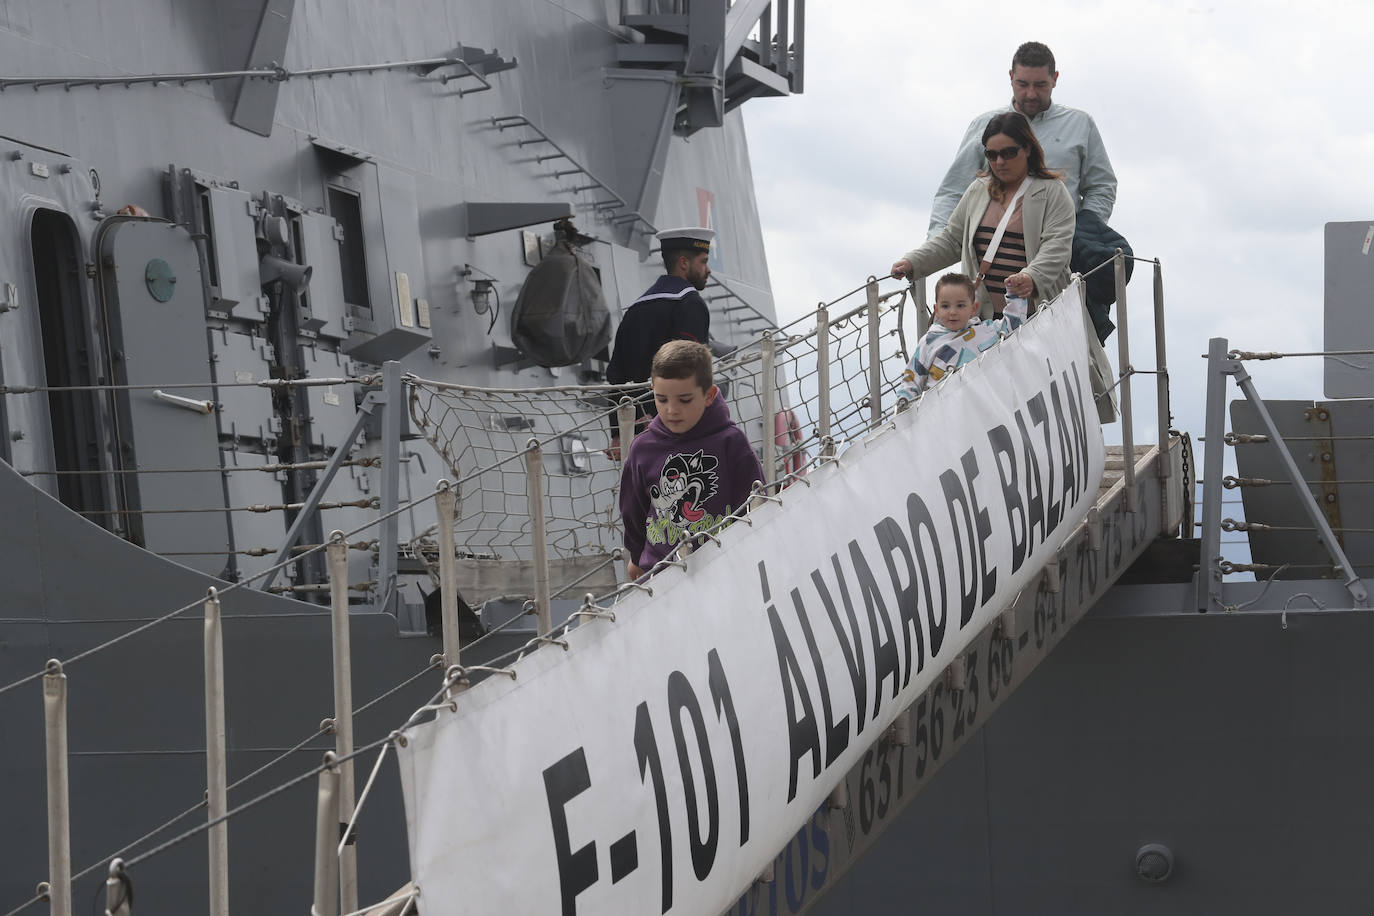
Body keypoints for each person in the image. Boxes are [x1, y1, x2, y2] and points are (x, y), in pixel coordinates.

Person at [892, 111, 1075, 318]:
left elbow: (1056, 247)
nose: (999, 161)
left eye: (1008, 153)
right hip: (983, 321)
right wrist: (913, 262)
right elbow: (953, 240)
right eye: (992, 155)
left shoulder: (1052, 192)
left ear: (1027, 148)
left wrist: (1031, 277)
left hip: (1037, 317)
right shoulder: (978, 189)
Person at [927, 41, 1115, 238]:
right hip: (990, 255)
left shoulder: (1081, 124)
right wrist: (934, 247)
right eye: (1022, 84)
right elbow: (953, 193)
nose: (1031, 94)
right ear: (1010, 77)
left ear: (1055, 78)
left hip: (1060, 255)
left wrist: (1083, 231)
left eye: (1040, 85)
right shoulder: (983, 125)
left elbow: (1101, 186)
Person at [619, 340, 764, 580]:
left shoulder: (730, 442)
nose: (671, 410)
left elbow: (754, 501)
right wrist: (636, 557)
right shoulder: (642, 448)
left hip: (724, 567)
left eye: (684, 400)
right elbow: (632, 510)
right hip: (662, 571)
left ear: (709, 395)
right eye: (661, 399)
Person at [605, 227, 714, 457]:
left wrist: (619, 432)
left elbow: (616, 375)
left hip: (641, 434)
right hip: (675, 429)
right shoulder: (689, 303)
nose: (708, 270)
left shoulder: (636, 308)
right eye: (703, 262)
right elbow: (690, 371)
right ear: (684, 263)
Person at [897, 273, 1027, 401]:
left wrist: (1015, 293)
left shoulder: (985, 331)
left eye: (960, 305)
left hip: (984, 405)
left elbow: (1012, 324)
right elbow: (912, 378)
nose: (953, 312)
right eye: (945, 306)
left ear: (973, 308)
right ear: (936, 310)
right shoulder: (929, 342)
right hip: (945, 410)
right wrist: (904, 401)